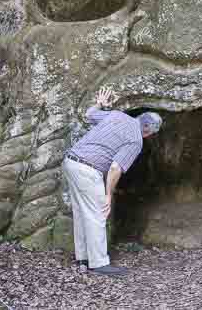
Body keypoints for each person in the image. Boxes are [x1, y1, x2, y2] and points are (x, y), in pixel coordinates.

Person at [62, 86, 162, 277]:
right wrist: (109, 195)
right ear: (148, 132)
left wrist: (100, 104)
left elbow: (90, 115)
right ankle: (99, 263)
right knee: (98, 213)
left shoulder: (116, 115)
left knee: (82, 211)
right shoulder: (136, 140)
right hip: (88, 169)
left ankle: (83, 257)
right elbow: (116, 168)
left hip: (71, 161)